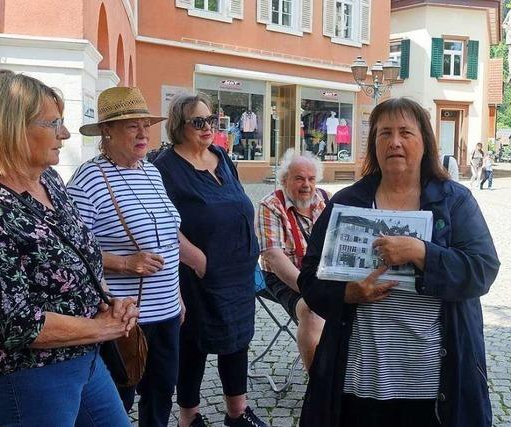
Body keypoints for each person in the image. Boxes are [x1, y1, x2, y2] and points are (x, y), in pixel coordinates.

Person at [0, 69, 139, 426]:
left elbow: (82, 254)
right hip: (28, 378)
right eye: (53, 123)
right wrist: (102, 328)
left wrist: (110, 302)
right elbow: (12, 323)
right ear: (12, 128)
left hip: (85, 360)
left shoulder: (48, 179)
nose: (64, 133)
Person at [298, 97, 499, 427]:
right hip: (358, 379)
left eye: (406, 132)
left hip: (432, 384)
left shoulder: (455, 201)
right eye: (384, 133)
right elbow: (310, 276)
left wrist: (423, 254)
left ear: (424, 142)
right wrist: (346, 293)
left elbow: (482, 270)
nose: (394, 142)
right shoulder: (346, 202)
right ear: (374, 144)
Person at [67, 86, 182, 427]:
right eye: (132, 125)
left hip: (167, 311)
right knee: (120, 397)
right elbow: (71, 249)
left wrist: (177, 296)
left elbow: (168, 237)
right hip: (124, 312)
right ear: (107, 131)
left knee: (162, 391)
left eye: (145, 124)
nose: (143, 133)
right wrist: (124, 262)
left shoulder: (151, 171)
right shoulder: (88, 179)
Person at [154, 92, 268, 427]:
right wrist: (198, 259)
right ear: (179, 125)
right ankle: (189, 418)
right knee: (195, 346)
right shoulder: (166, 167)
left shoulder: (220, 154)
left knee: (238, 341)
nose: (208, 127)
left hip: (238, 272)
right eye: (198, 122)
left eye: (212, 120)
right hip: (198, 274)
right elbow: (161, 222)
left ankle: (237, 413)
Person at [255, 150, 329, 372]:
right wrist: (310, 289)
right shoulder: (270, 205)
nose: (306, 184)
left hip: (322, 273)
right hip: (282, 275)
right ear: (285, 179)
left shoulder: (324, 200)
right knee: (312, 309)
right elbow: (274, 257)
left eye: (311, 179)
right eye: (299, 178)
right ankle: (318, 386)